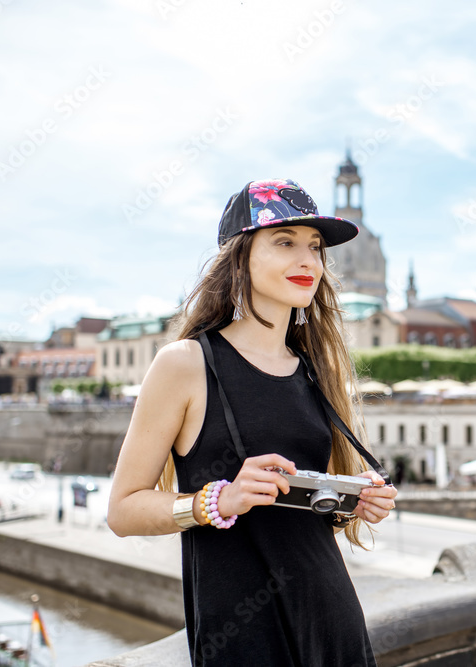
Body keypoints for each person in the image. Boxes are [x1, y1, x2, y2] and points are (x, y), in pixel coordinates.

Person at [107, 178, 398, 666]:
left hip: (333, 622)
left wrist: (353, 499)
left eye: (315, 247)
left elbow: (301, 516)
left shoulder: (313, 368)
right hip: (240, 637)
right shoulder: (185, 363)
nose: (308, 261)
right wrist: (218, 499)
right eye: (285, 243)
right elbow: (122, 511)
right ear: (240, 257)